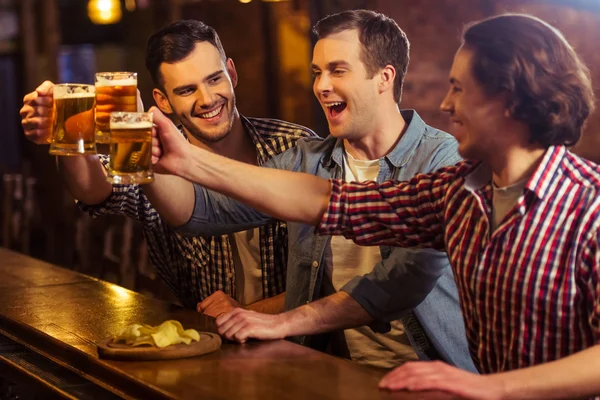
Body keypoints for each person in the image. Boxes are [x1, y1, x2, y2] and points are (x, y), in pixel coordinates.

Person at [150, 13, 600, 398]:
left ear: (508, 100)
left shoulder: (589, 207)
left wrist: (490, 388)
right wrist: (185, 160)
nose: (444, 104)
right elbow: (331, 202)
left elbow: (399, 282)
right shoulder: (457, 193)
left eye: (459, 89)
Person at [151, 10, 475, 371]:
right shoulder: (307, 160)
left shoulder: (444, 159)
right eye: (317, 72)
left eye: (337, 70)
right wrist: (150, 156)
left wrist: (282, 321)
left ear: (384, 77)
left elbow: (397, 284)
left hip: (436, 377)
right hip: (333, 373)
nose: (320, 86)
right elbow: (204, 212)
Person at [19, 20, 316, 317]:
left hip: (307, 348)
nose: (208, 99)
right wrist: (67, 130)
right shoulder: (153, 155)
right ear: (163, 101)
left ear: (232, 74)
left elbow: (332, 275)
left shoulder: (296, 148)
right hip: (207, 348)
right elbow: (93, 190)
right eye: (187, 90)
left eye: (215, 79)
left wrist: (252, 313)